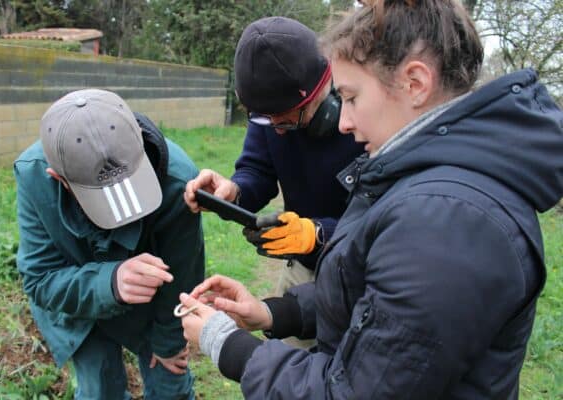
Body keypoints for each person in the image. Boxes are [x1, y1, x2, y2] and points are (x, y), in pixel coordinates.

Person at [179, 1, 563, 399]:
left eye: (351, 97)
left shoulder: (446, 222)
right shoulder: (428, 180)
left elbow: (353, 390)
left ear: (415, 83)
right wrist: (277, 312)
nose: (345, 122)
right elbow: (375, 296)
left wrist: (227, 344)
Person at [14, 89, 204, 400]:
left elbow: (184, 273)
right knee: (99, 391)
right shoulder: (34, 176)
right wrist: (110, 282)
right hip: (78, 304)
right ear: (58, 178)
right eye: (100, 196)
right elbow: (40, 279)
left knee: (171, 385)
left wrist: (169, 343)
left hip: (155, 301)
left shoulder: (178, 180)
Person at [183, 17, 366, 322]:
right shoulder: (271, 112)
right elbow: (257, 170)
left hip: (366, 272)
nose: (277, 131)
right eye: (264, 120)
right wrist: (233, 191)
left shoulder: (365, 119)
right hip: (305, 270)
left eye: (287, 120)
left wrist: (321, 234)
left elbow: (388, 214)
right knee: (297, 358)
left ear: (326, 93)